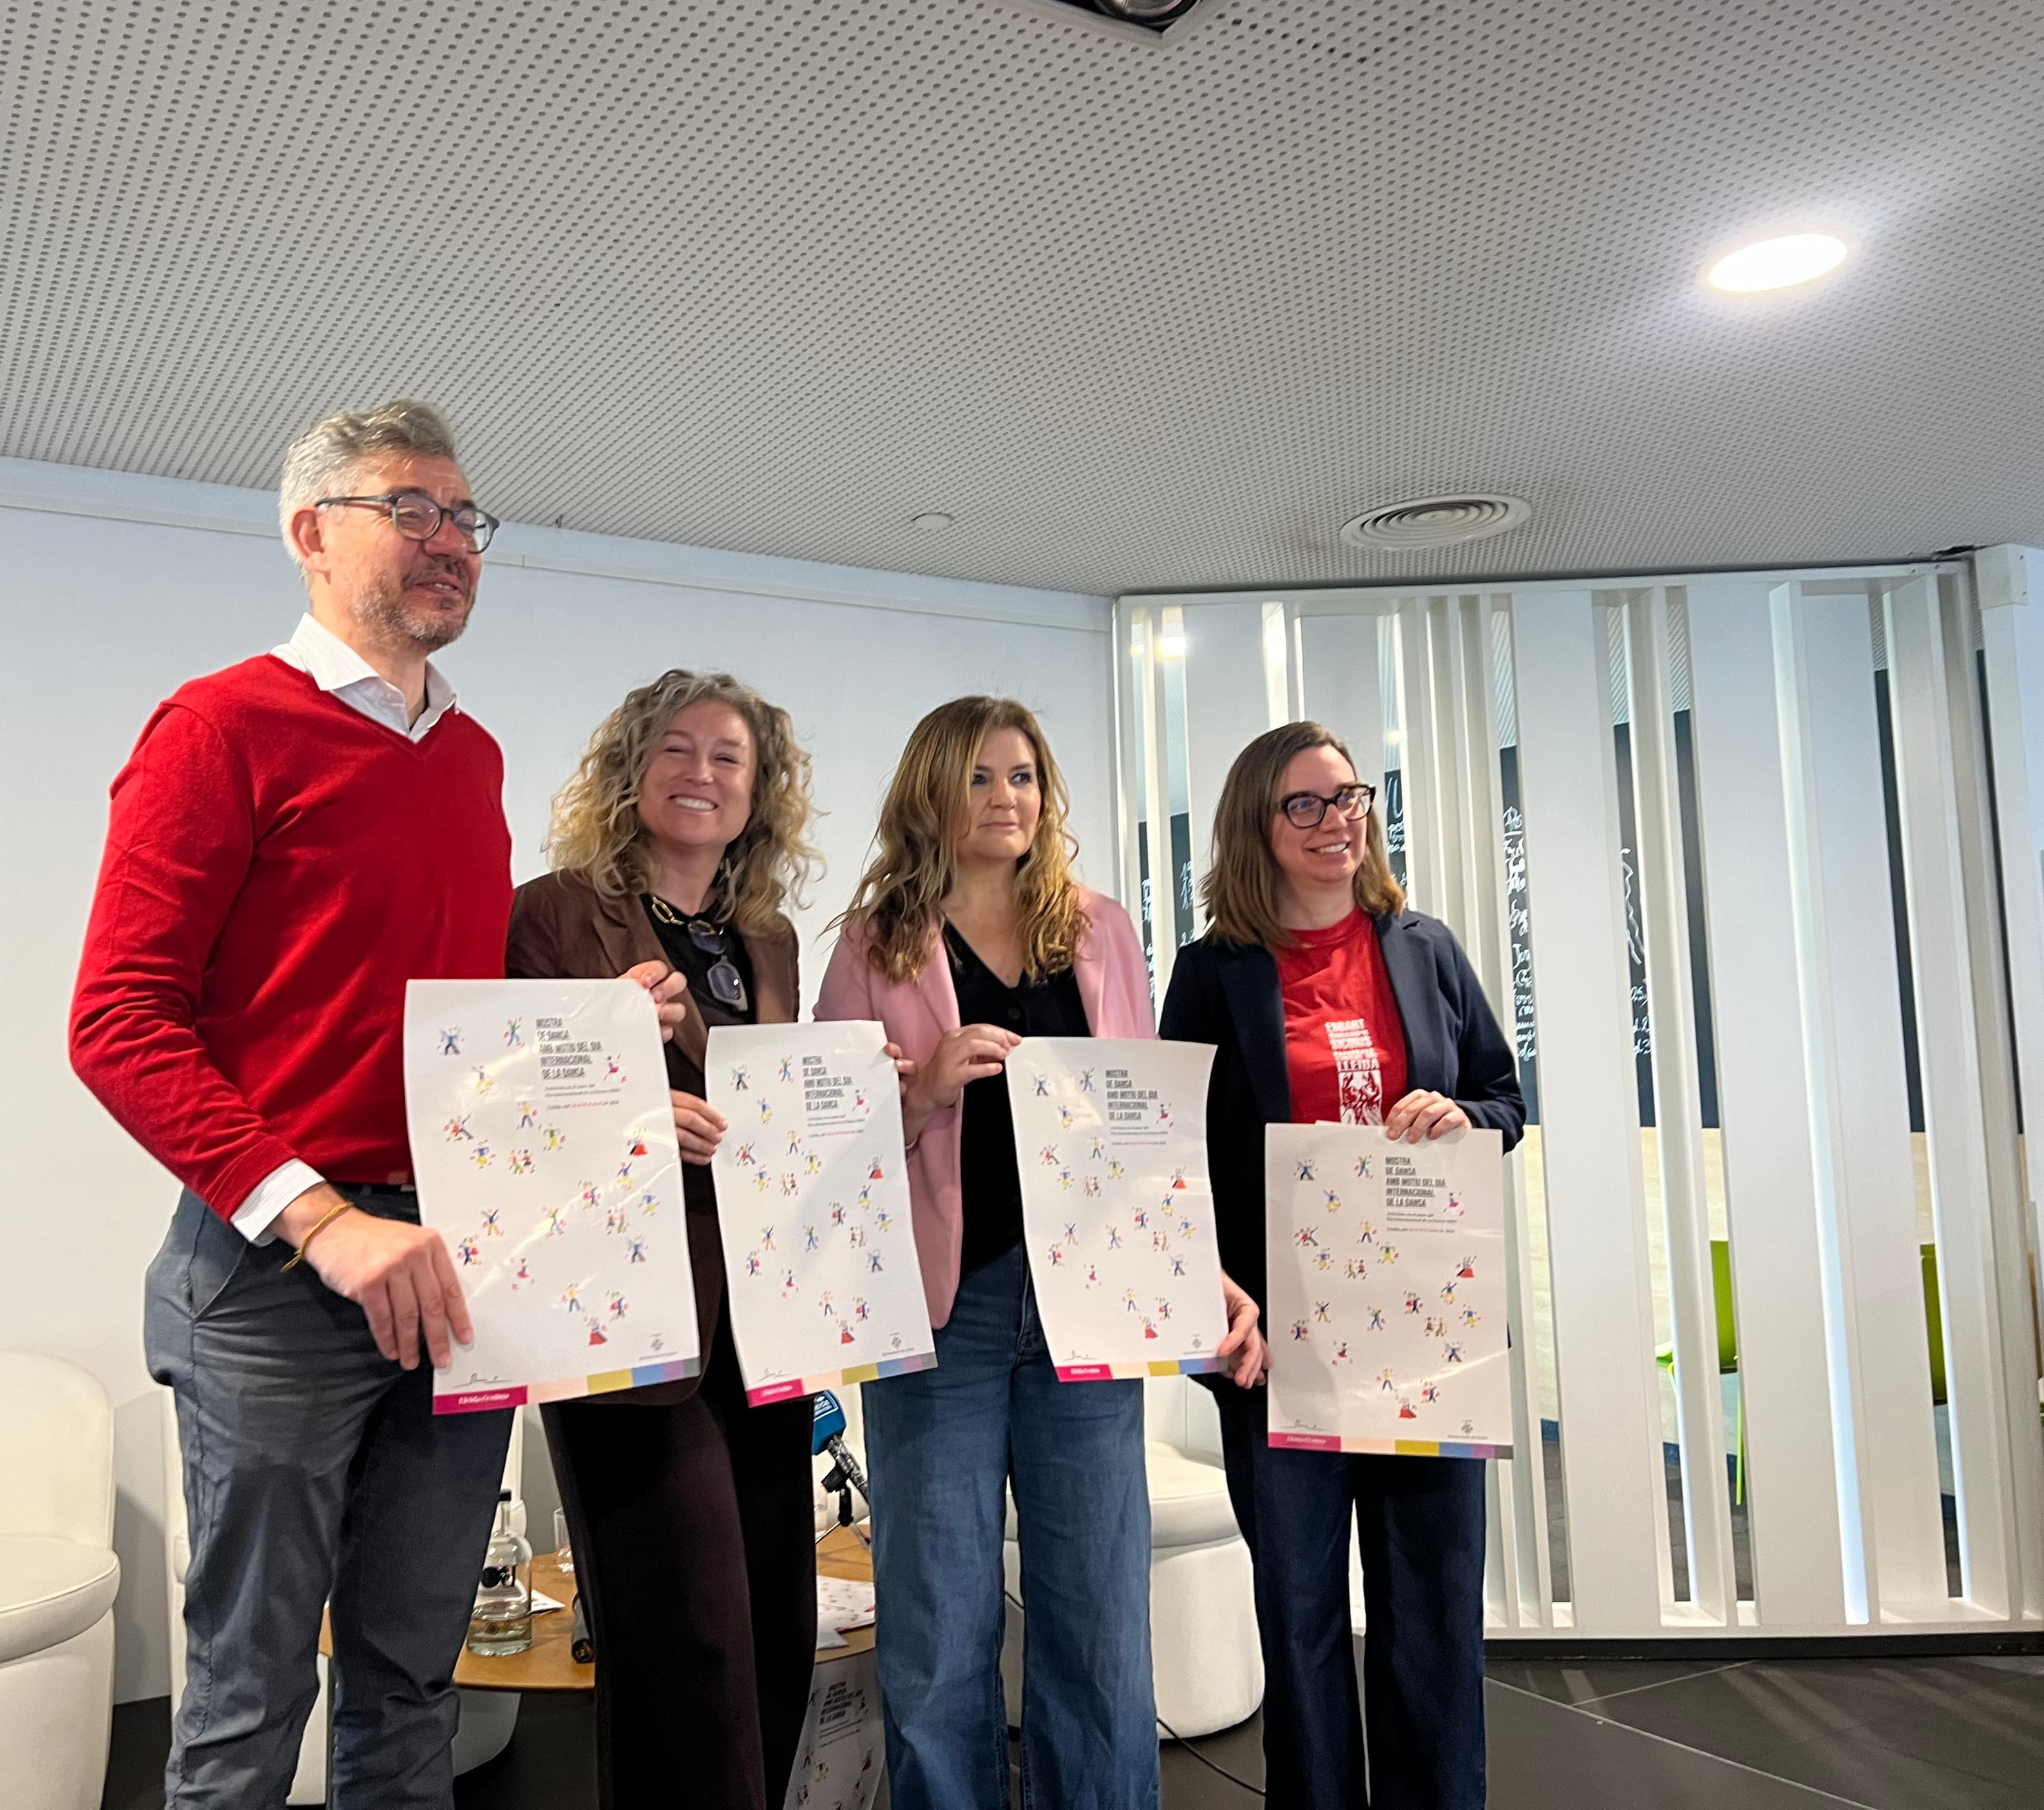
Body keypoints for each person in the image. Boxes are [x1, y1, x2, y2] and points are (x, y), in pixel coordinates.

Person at [68, 400, 682, 1808]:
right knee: (246, 1702)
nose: (452, 543)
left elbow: (439, 1035)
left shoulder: (470, 761)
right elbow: (117, 1024)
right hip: (283, 1279)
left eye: (468, 520)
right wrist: (328, 1222)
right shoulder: (217, 728)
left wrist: (596, 1030)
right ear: (311, 532)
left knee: (415, 1682)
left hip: (462, 1267)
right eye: (412, 510)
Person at [814, 695, 1263, 1810]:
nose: (1006, 798)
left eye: (1022, 776)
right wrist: (918, 1090)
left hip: (1089, 1308)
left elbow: (1146, 1122)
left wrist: (1190, 1261)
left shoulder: (1100, 928)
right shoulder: (874, 943)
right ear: (932, 791)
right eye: (978, 776)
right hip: (941, 1312)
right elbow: (814, 1136)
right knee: (938, 1620)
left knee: (1099, 1617)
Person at [1160, 721, 1525, 1810]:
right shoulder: (1213, 974)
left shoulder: (1425, 947)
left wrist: (1458, 1111)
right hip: (1283, 1347)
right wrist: (1218, 1311)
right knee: (1303, 1619)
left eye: (1350, 796)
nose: (1337, 820)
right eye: (1305, 804)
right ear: (1257, 829)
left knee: (1433, 1617)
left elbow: (1507, 1102)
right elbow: (1173, 1156)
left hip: (1425, 1339)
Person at [506, 669, 831, 1809]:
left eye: (729, 757)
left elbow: (768, 1114)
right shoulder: (550, 914)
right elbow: (499, 1114)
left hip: (763, 1318)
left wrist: (840, 1098)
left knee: (779, 1627)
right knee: (685, 1640)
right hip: (626, 1322)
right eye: (678, 751)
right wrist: (628, 1109)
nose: (702, 774)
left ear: (760, 789)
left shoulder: (772, 937)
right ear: (630, 772)